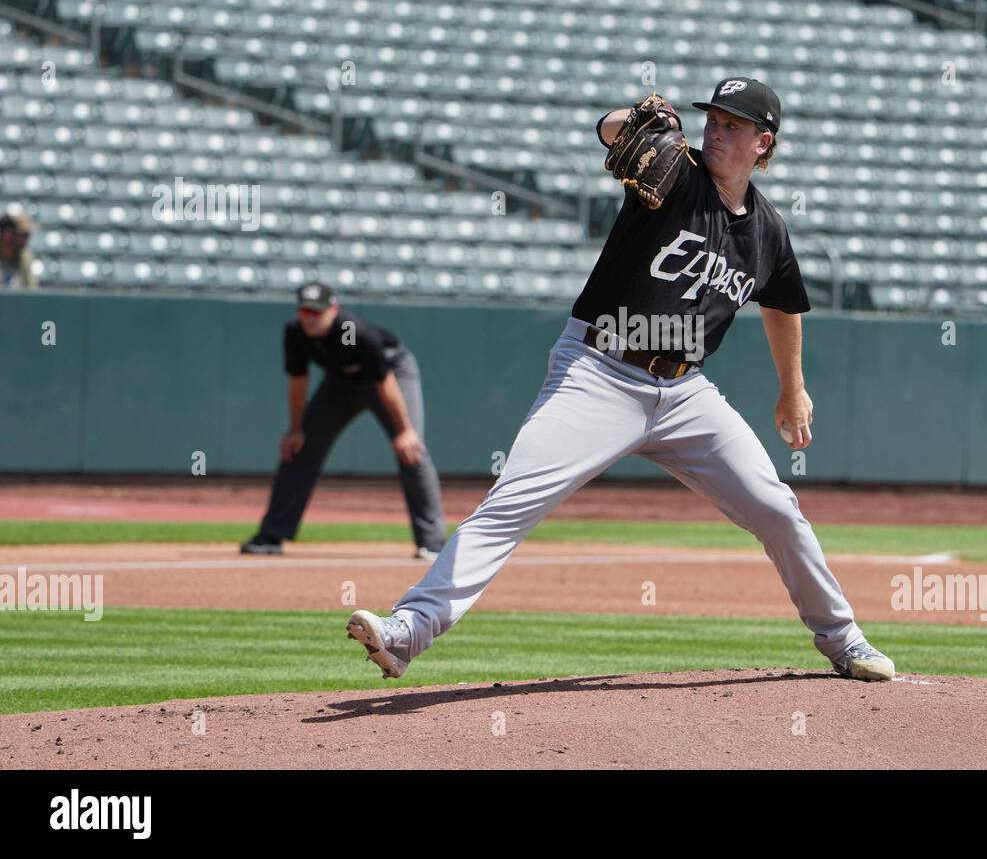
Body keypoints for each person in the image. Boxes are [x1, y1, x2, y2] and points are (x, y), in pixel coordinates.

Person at [345, 78, 896, 685]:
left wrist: (793, 387)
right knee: (512, 502)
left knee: (777, 509)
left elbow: (784, 303)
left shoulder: (767, 231)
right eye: (712, 118)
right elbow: (611, 134)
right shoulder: (677, 176)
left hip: (686, 394)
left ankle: (845, 640)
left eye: (733, 125)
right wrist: (630, 115)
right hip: (598, 372)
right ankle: (409, 628)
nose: (715, 129)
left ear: (763, 143)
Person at [241, 282, 448, 558]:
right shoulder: (295, 332)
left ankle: (433, 543)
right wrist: (296, 428)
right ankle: (271, 535)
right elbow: (298, 381)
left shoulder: (356, 332)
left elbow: (384, 382)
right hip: (340, 382)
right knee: (299, 448)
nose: (311, 317)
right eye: (305, 311)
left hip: (391, 375)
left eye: (317, 311)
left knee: (412, 452)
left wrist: (405, 430)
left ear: (333, 309)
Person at [0, 209, 38, 288]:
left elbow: (32, 289)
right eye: (23, 234)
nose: (27, 238)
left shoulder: (25, 256)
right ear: (7, 233)